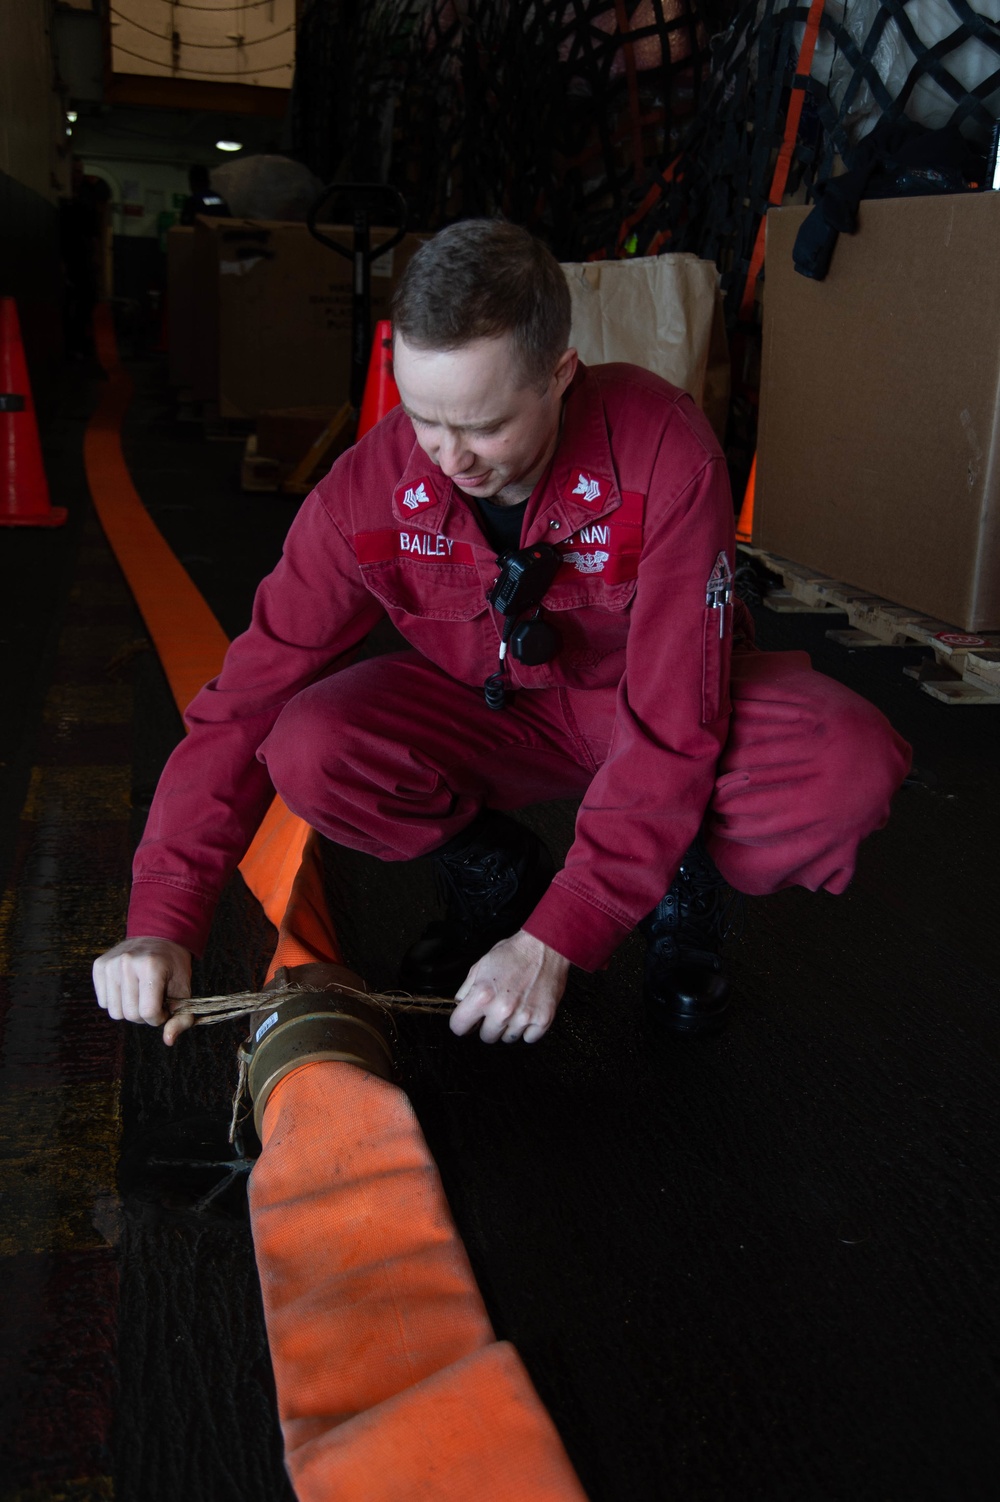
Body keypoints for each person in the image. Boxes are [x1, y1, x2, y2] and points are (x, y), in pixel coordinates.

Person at [92, 220, 911, 1048]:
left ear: (559, 375)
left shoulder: (665, 450)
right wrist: (162, 916)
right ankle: (494, 870)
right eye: (423, 418)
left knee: (845, 762)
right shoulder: (365, 492)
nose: (449, 458)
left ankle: (679, 880)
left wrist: (559, 937)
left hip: (645, 705)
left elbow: (673, 720)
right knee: (308, 741)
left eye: (483, 426)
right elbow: (245, 701)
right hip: (495, 717)